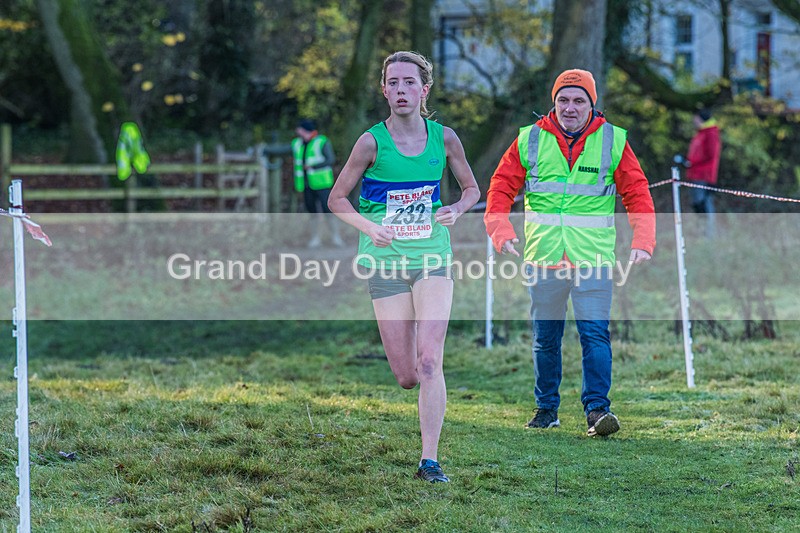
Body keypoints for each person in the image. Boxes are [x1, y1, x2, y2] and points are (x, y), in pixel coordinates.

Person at [328, 51, 480, 482]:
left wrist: (456, 208)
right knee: (408, 375)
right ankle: (412, 368)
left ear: (424, 89)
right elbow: (336, 199)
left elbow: (472, 189)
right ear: (384, 90)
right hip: (385, 262)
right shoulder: (370, 142)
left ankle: (429, 461)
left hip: (433, 256)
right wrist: (368, 227)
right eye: (393, 83)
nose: (400, 90)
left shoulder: (444, 138)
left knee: (431, 361)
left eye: (409, 83)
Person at [484, 69, 656, 437]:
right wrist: (501, 231)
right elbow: (500, 187)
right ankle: (546, 409)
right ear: (553, 102)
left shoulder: (613, 140)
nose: (570, 107)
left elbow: (637, 192)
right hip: (543, 256)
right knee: (546, 337)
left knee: (594, 334)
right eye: (563, 99)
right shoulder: (529, 140)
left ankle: (597, 411)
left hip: (592, 259)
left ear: (592, 105)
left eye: (579, 100)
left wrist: (643, 240)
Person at [292, 118, 344, 247]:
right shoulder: (297, 144)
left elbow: (330, 159)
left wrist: (313, 166)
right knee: (312, 212)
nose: (298, 132)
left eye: (300, 129)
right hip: (306, 184)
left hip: (322, 183)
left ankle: (335, 237)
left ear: (306, 130)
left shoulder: (321, 142)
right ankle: (315, 239)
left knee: (328, 210)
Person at [684, 108, 721, 237]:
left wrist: (692, 162)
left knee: (704, 205)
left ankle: (709, 236)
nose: (694, 120)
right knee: (698, 205)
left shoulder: (710, 133)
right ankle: (703, 233)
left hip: (704, 176)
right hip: (696, 174)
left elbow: (711, 155)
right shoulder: (701, 133)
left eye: (696, 117)